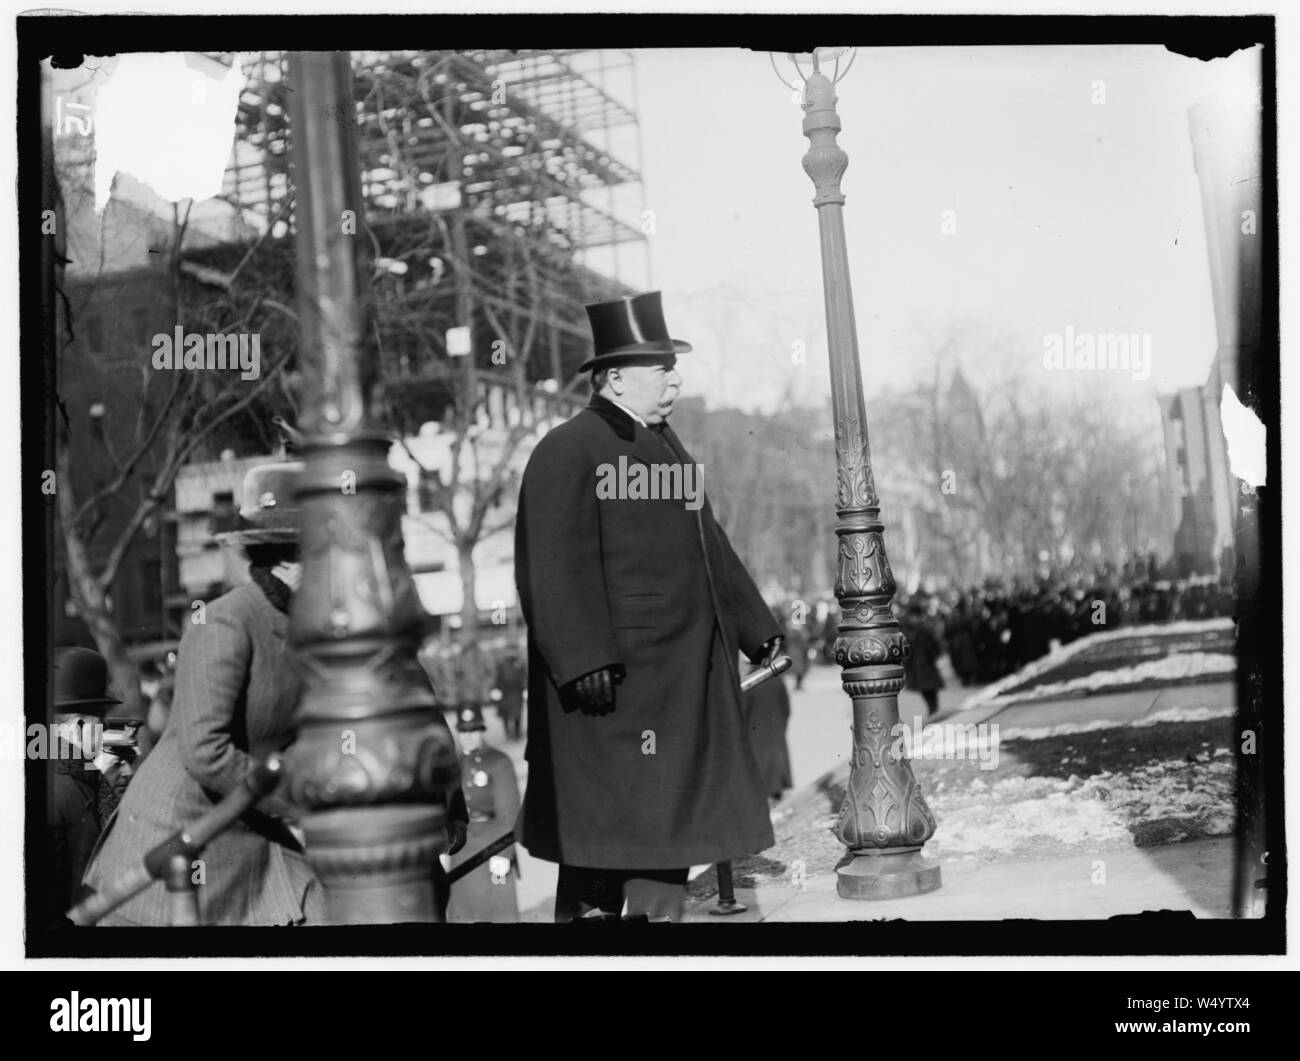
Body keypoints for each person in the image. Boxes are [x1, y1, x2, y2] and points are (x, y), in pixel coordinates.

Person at [514, 291, 783, 923]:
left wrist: (756, 628)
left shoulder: (665, 447)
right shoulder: (567, 448)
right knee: (607, 841)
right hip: (614, 689)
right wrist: (582, 660)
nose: (675, 377)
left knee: (664, 833)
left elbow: (707, 543)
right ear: (613, 378)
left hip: (677, 680)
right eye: (660, 367)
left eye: (672, 364)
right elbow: (548, 565)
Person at [82, 462, 325, 926]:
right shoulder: (225, 622)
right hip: (182, 833)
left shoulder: (303, 626)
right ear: (297, 555)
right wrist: (298, 807)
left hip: (247, 827)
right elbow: (206, 752)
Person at [45, 647, 130, 924]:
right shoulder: (66, 788)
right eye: (101, 721)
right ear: (79, 725)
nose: (105, 730)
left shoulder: (71, 777)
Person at [445, 705, 521, 924]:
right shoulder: (453, 765)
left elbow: (509, 813)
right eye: (463, 731)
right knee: (462, 912)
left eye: (473, 731)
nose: (468, 737)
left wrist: (503, 853)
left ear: (482, 730)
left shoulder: (498, 761)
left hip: (491, 847)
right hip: (461, 849)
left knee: (497, 914)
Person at [743, 658, 793, 807]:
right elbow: (786, 707)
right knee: (776, 767)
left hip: (755, 735)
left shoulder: (750, 683)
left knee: (761, 770)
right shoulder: (777, 680)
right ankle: (775, 798)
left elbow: (742, 711)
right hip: (776, 731)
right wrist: (781, 726)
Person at [494, 644, 527, 741]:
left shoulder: (520, 663)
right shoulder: (501, 664)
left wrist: (525, 688)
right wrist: (496, 689)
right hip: (505, 693)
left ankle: (517, 732)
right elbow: (498, 678)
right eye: (509, 650)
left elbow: (524, 677)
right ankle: (508, 732)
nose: (511, 653)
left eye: (513, 650)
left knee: (518, 714)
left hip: (517, 692)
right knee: (505, 714)